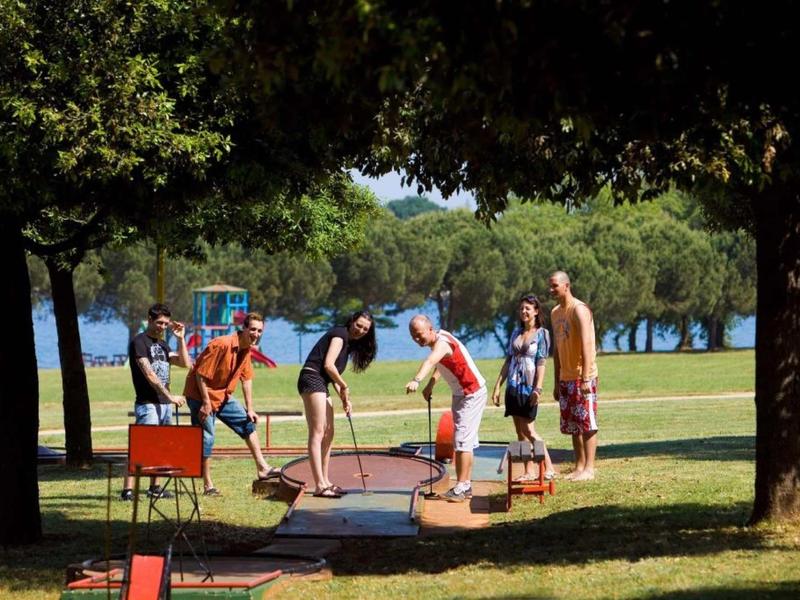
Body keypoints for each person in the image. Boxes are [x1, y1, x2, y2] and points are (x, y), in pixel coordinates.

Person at [183, 312, 278, 495]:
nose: (256, 334)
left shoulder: (247, 349)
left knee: (247, 423)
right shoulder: (221, 344)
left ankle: (263, 468)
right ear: (243, 328)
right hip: (200, 395)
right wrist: (205, 403)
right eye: (252, 329)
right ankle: (207, 485)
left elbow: (247, 379)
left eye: (259, 331)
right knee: (207, 438)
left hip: (222, 394)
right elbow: (200, 375)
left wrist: (250, 409)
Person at [405, 315, 487, 502]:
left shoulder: (441, 343)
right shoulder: (439, 339)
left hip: (471, 393)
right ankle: (464, 485)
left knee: (462, 441)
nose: (417, 339)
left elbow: (431, 361)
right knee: (463, 440)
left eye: (419, 334)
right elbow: (440, 363)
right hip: (461, 394)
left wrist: (417, 380)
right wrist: (430, 385)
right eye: (413, 336)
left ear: (430, 329)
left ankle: (461, 487)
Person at [297, 311, 377, 498]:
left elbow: (331, 375)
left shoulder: (348, 343)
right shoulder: (340, 334)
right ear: (351, 322)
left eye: (365, 329)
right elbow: (328, 365)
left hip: (321, 382)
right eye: (359, 325)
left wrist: (344, 397)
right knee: (317, 432)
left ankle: (326, 481)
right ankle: (319, 485)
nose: (361, 330)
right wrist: (344, 385)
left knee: (329, 431)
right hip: (311, 378)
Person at [121, 303, 190, 501]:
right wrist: (170, 397)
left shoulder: (162, 344)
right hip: (148, 403)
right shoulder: (139, 342)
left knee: (161, 446)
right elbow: (149, 374)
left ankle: (155, 488)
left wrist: (181, 339)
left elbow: (185, 363)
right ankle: (127, 490)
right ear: (149, 320)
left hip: (164, 404)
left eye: (166, 324)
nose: (162, 326)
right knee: (141, 445)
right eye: (159, 322)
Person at [491, 294, 556, 481]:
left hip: (528, 388)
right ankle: (529, 471)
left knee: (530, 430)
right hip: (513, 387)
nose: (524, 311)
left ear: (536, 311)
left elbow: (541, 362)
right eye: (521, 309)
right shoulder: (515, 334)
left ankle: (549, 467)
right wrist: (497, 386)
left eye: (528, 308)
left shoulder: (542, 334)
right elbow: (509, 360)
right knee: (520, 433)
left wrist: (538, 388)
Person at [549, 271, 599, 481]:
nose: (551, 290)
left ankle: (589, 468)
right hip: (566, 377)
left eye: (554, 286)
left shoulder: (579, 310)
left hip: (582, 376)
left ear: (566, 286)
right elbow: (558, 350)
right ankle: (579, 466)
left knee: (587, 422)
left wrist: (586, 378)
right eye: (550, 286)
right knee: (573, 424)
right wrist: (556, 381)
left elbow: (588, 344)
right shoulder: (555, 313)